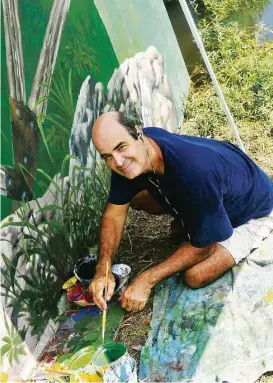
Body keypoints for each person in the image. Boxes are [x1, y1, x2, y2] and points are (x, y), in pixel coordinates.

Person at [89, 111, 273, 312]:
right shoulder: (136, 151)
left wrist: (147, 280)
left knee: (195, 276)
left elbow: (205, 247)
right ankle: (196, 219)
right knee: (134, 198)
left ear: (138, 132)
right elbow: (114, 213)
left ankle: (256, 229)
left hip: (254, 212)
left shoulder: (195, 174)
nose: (118, 161)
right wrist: (103, 269)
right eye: (107, 156)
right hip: (216, 185)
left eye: (120, 147)